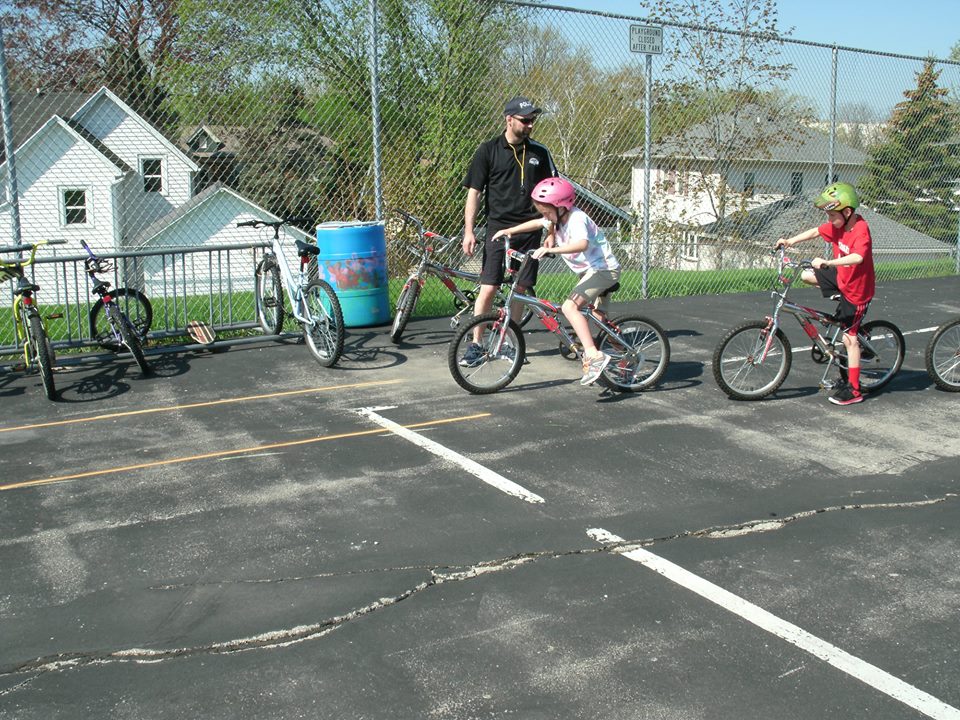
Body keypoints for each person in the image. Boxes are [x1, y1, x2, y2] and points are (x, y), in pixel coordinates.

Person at [492, 177, 621, 386]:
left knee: (570, 308)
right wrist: (509, 231)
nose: (544, 216)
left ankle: (593, 355)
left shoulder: (577, 219)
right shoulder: (556, 219)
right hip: (589, 272)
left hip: (604, 271)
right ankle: (623, 353)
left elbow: (581, 244)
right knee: (598, 318)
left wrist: (550, 249)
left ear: (561, 207)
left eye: (546, 211)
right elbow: (536, 223)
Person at [460, 96, 558, 367]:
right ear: (509, 119)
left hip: (530, 228)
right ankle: (476, 344)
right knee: (489, 286)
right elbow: (474, 193)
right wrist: (469, 230)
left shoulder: (540, 152)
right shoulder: (488, 150)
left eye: (532, 121)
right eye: (525, 120)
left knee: (522, 287)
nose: (530, 125)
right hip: (498, 230)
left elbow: (553, 193)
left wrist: (551, 228)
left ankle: (507, 343)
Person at [776, 182, 875, 406]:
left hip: (858, 291)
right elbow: (815, 231)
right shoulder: (838, 225)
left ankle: (855, 390)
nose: (829, 219)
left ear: (847, 212)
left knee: (848, 339)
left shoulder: (860, 229)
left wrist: (828, 262)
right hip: (842, 279)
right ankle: (843, 309)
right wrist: (790, 241)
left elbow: (858, 257)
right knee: (806, 276)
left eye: (831, 214)